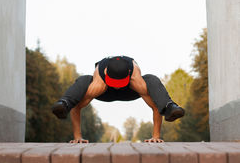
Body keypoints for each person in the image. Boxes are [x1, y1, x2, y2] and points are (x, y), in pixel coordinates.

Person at [52, 55, 185, 143]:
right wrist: (77, 137)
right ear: (105, 73)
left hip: (130, 90)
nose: (116, 88)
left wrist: (156, 136)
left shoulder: (135, 77)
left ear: (128, 74)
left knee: (151, 79)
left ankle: (169, 106)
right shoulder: (99, 80)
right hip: (104, 91)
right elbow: (78, 106)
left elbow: (155, 105)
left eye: (118, 84)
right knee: (83, 81)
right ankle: (64, 103)